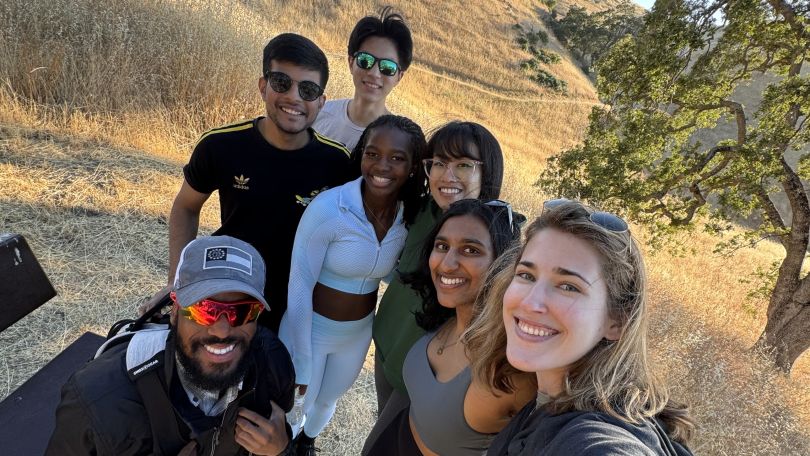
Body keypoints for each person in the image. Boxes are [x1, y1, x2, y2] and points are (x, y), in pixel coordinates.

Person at [467, 200, 696, 455]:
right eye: (526, 275)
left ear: (617, 321)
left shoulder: (592, 441)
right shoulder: (550, 399)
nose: (531, 302)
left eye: (568, 286)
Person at [167, 33, 356, 333]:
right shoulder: (220, 145)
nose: (294, 97)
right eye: (282, 82)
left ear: (321, 102)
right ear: (263, 86)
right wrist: (177, 284)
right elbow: (186, 207)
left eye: (307, 90)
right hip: (228, 300)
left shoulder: (337, 162)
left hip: (296, 308)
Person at [46, 235, 296, 456]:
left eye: (242, 312)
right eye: (204, 310)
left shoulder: (273, 365)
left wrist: (282, 450)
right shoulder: (98, 403)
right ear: (175, 311)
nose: (221, 331)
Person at [278, 115, 427, 455]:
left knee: (327, 400)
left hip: (358, 333)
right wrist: (301, 359)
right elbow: (299, 285)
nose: (381, 166)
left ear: (414, 166)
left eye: (397, 158)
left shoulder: (408, 217)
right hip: (310, 327)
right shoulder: (330, 209)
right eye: (372, 153)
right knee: (296, 405)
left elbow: (387, 272)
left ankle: (307, 444)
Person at [364, 199, 534, 455]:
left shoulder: (513, 368)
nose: (447, 263)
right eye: (442, 246)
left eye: (471, 250)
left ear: (503, 263)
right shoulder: (446, 316)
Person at [372, 121, 505, 412]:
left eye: (464, 165)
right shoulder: (421, 211)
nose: (448, 176)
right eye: (439, 163)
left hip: (425, 374)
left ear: (487, 171)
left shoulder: (498, 236)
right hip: (385, 348)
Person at [312, 7, 412, 151]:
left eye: (388, 67)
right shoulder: (318, 115)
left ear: (399, 77)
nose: (374, 73)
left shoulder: (400, 140)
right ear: (351, 62)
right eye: (365, 60)